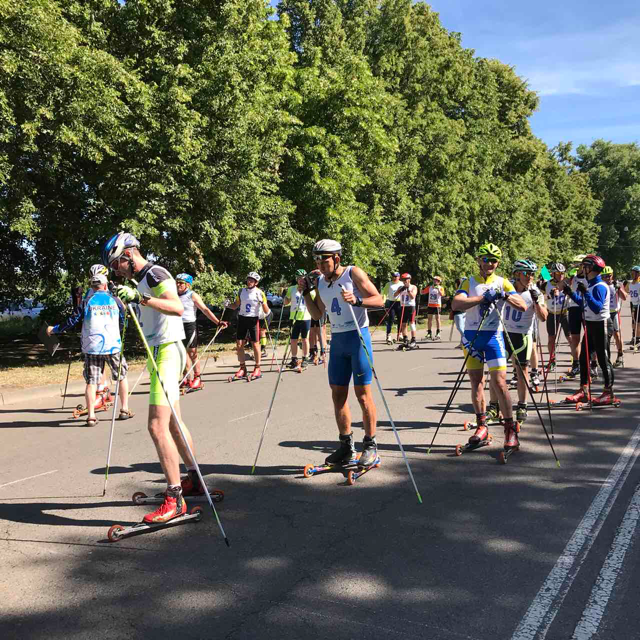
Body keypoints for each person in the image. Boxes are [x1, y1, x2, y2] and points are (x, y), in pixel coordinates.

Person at [104, 231, 200, 524]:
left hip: (168, 352)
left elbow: (176, 306)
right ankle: (194, 479)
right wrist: (128, 300)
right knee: (173, 423)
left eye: (117, 263)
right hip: (158, 349)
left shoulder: (155, 273)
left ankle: (174, 499)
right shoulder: (139, 280)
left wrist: (141, 297)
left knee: (156, 426)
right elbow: (147, 310)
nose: (115, 270)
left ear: (129, 255)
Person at [303, 239, 383, 468]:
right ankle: (346, 447)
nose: (320, 264)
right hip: (337, 341)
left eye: (324, 259)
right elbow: (317, 314)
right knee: (338, 396)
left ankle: (370, 445)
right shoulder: (319, 281)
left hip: (358, 338)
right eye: (317, 259)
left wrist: (357, 300)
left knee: (363, 395)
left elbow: (379, 300)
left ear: (336, 258)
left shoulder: (352, 273)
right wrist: (306, 293)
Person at [452, 243, 527, 451]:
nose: (490, 263)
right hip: (472, 337)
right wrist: (481, 299)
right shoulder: (468, 282)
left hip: (494, 337)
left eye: (494, 260)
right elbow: (456, 304)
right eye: (486, 259)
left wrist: (504, 295)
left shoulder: (503, 282)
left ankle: (510, 430)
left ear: (498, 263)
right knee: (476, 382)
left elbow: (522, 305)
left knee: (500, 383)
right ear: (479, 260)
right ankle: (482, 426)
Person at [47, 265, 132, 426]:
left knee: (92, 381)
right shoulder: (116, 300)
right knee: (121, 376)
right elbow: (124, 319)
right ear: (106, 284)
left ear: (91, 285)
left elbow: (72, 321)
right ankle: (124, 409)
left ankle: (91, 416)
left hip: (92, 346)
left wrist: (55, 329)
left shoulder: (87, 301)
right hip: (113, 345)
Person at [564, 255, 614, 405]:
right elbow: (584, 304)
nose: (582, 269)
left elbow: (597, 308)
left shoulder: (599, 286)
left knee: (603, 359)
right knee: (584, 357)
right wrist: (571, 293)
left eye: (584, 267)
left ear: (590, 268)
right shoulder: (590, 284)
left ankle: (608, 392)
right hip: (591, 324)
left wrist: (585, 292)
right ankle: (583, 390)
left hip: (601, 324)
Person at [503, 260, 548, 422]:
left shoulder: (535, 291)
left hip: (523, 335)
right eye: (526, 273)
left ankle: (522, 404)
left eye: (532, 274)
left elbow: (543, 318)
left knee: (522, 372)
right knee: (497, 372)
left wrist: (536, 301)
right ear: (517, 274)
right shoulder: (505, 287)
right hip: (504, 333)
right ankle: (494, 406)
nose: (530, 277)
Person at [176, 273, 228, 390]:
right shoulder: (174, 295)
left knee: (192, 353)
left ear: (188, 285)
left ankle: (197, 377)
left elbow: (205, 309)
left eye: (181, 283)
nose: (178, 284)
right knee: (182, 354)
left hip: (189, 325)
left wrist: (217, 322)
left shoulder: (192, 295)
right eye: (177, 282)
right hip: (177, 325)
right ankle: (186, 377)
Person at [227, 272, 270, 381]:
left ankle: (257, 367)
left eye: (252, 280)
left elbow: (267, 311)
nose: (249, 282)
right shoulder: (241, 291)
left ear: (256, 282)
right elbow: (236, 305)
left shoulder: (259, 293)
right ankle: (242, 368)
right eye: (248, 279)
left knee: (255, 344)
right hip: (242, 318)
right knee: (239, 344)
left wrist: (263, 303)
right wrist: (227, 304)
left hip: (253, 319)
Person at [284, 269, 313, 370]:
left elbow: (314, 302)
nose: (301, 280)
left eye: (303, 278)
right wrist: (285, 298)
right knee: (293, 339)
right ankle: (294, 359)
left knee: (305, 339)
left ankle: (305, 358)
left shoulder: (310, 289)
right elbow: (286, 302)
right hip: (294, 317)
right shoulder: (292, 289)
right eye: (299, 278)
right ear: (297, 279)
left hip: (306, 317)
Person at [544, 263, 570, 373]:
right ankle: (552, 360)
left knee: (570, 338)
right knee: (551, 339)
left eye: (562, 273)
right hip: (552, 313)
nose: (561, 275)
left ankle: (576, 361)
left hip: (565, 313)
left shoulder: (567, 282)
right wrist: (550, 295)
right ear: (553, 274)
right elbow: (541, 297)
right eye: (558, 273)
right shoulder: (546, 284)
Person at [602, 266, 626, 367]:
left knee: (617, 334)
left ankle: (620, 355)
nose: (608, 278)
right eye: (605, 276)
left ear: (612, 275)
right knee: (605, 336)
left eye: (609, 275)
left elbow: (624, 297)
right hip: (604, 313)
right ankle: (606, 358)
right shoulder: (600, 285)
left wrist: (619, 288)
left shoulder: (617, 284)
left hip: (614, 312)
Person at [394, 273, 418, 348]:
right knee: (403, 324)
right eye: (403, 280)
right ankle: (405, 339)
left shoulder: (413, 287)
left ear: (409, 279)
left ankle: (413, 340)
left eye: (406, 279)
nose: (405, 281)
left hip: (411, 307)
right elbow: (394, 295)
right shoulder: (401, 287)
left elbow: (413, 296)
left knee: (411, 323)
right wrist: (400, 290)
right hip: (403, 306)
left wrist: (408, 290)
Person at [381, 272, 403, 345]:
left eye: (396, 276)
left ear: (399, 277)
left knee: (400, 319)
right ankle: (388, 335)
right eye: (394, 276)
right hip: (391, 302)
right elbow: (384, 293)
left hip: (400, 303)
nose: (395, 278)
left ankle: (400, 334)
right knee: (391, 319)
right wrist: (383, 301)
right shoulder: (389, 284)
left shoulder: (402, 284)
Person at [423, 276, 445, 340]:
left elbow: (442, 294)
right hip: (430, 305)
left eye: (437, 280)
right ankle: (429, 333)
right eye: (434, 280)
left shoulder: (441, 288)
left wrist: (438, 289)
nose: (435, 281)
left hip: (437, 305)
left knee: (437, 319)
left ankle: (438, 332)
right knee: (429, 319)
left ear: (439, 282)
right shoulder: (430, 287)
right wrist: (422, 289)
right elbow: (423, 292)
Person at [626, 266, 640, 347]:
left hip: (639, 304)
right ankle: (634, 337)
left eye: (634, 273)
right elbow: (627, 291)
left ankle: (638, 339)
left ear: (638, 274)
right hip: (633, 303)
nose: (632, 274)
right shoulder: (630, 284)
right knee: (633, 321)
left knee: (638, 322)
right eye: (632, 273)